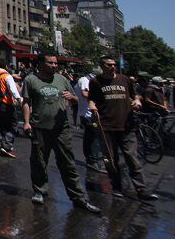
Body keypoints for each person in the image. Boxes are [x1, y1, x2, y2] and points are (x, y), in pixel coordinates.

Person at [21, 55, 101, 213]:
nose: (54, 65)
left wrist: (72, 97)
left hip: (61, 128)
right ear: (41, 64)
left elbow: (76, 99)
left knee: (67, 162)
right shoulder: (30, 80)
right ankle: (40, 191)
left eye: (55, 63)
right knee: (39, 161)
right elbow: (26, 102)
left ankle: (78, 197)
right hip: (40, 128)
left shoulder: (62, 79)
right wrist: (26, 122)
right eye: (50, 62)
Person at [88, 57, 158, 202]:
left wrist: (137, 100)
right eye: (109, 65)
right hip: (107, 125)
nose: (113, 67)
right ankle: (117, 187)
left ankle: (142, 189)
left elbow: (135, 95)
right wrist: (92, 105)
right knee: (111, 160)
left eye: (114, 64)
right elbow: (92, 98)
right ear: (102, 66)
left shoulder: (124, 79)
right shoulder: (95, 82)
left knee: (132, 157)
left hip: (127, 124)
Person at [0, 59, 22, 158]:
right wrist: (19, 100)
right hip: (6, 104)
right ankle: (6, 146)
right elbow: (13, 90)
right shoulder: (6, 76)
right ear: (6, 66)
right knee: (12, 125)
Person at [76, 67, 104, 172]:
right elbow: (84, 94)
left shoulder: (92, 81)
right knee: (93, 138)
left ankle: (93, 159)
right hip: (87, 114)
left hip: (91, 113)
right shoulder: (84, 80)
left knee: (93, 137)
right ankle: (92, 160)